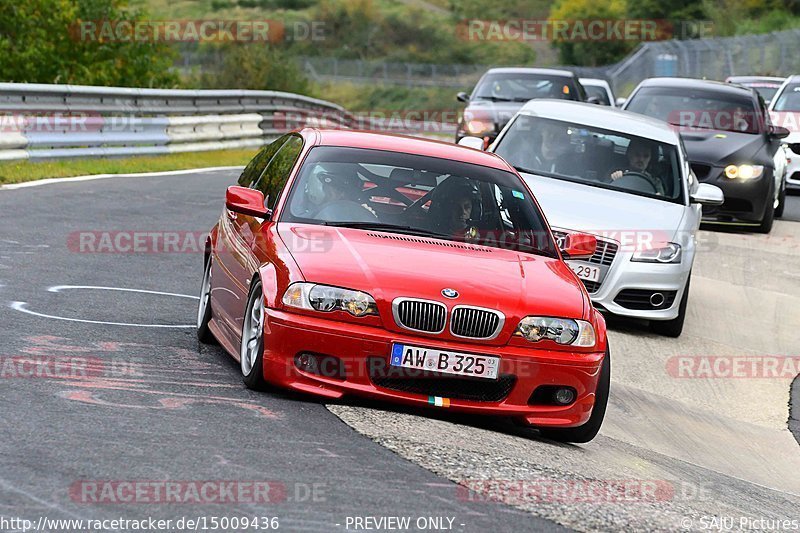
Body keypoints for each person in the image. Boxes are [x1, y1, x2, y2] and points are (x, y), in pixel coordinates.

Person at [305, 168, 376, 222]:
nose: (341, 194)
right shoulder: (307, 214)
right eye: (327, 189)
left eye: (339, 189)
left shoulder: (361, 213)